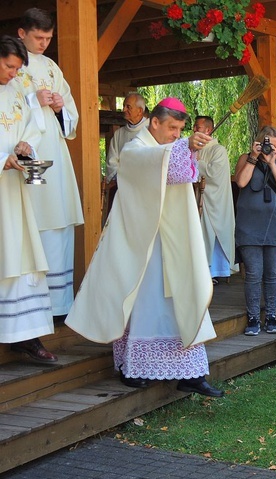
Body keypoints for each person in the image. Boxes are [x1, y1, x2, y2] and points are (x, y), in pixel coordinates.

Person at [65, 97, 223, 397]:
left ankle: (191, 372)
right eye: (172, 128)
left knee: (181, 297)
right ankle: (132, 366)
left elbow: (179, 172)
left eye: (180, 130)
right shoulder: (135, 148)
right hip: (143, 241)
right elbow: (151, 166)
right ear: (155, 122)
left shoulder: (168, 148)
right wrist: (184, 147)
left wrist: (185, 149)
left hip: (173, 237)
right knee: (146, 303)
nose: (176, 134)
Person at [17, 8, 84, 317]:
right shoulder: (10, 65)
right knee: (30, 220)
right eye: (38, 37)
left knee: (57, 218)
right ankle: (29, 305)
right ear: (22, 33)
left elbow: (70, 118)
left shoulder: (53, 67)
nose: (44, 43)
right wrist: (34, 100)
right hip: (26, 155)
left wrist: (59, 107)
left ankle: (58, 305)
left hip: (54, 154)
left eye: (48, 38)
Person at [0, 35, 57, 363]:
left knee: (21, 260)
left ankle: (24, 335)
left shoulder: (16, 93)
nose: (12, 73)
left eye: (17, 68)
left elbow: (31, 130)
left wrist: (24, 149)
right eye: (8, 66)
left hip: (14, 191)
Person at [235, 126, 276, 336]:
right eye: (267, 143)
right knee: (253, 273)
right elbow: (241, 182)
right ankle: (252, 318)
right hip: (249, 225)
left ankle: (270, 316)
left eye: (274, 145)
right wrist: (253, 157)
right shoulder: (245, 159)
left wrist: (271, 163)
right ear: (258, 142)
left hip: (273, 224)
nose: (270, 148)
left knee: (271, 274)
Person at [193, 115, 234, 282]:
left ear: (208, 130)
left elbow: (213, 174)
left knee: (212, 234)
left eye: (198, 127)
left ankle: (216, 270)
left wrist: (197, 163)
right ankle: (201, 270)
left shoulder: (219, 150)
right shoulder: (194, 149)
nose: (194, 129)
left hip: (215, 200)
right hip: (197, 198)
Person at [105, 92, 148, 183]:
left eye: (128, 107)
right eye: (124, 106)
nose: (124, 109)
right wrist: (122, 178)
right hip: (122, 184)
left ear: (140, 111)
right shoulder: (119, 134)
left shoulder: (151, 130)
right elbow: (112, 161)